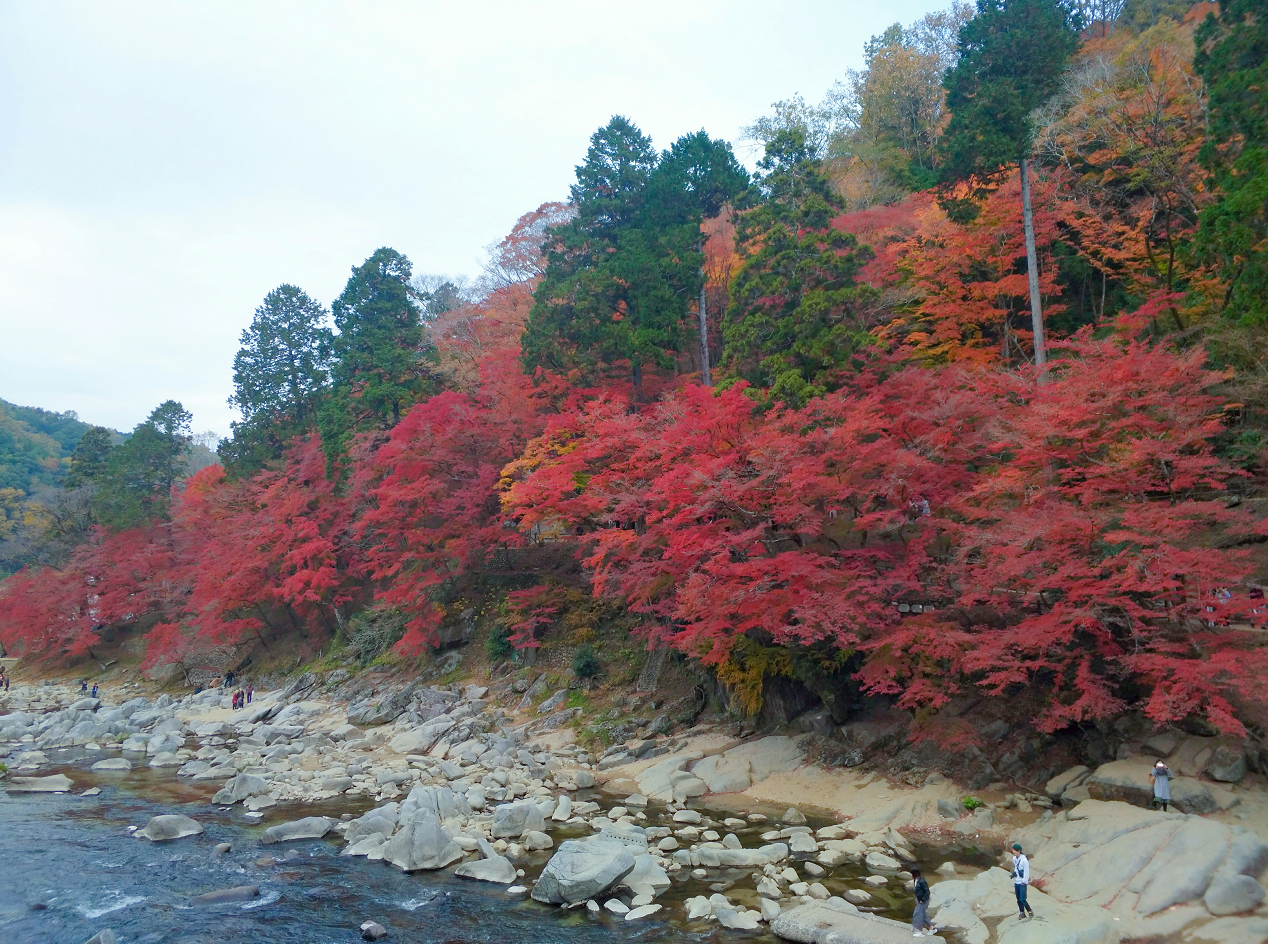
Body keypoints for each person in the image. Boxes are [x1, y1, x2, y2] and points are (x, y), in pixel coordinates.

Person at [1012, 843, 1035, 920]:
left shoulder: (1024, 860)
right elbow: (1016, 868)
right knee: (1018, 899)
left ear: (1019, 851)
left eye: (1015, 850)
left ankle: (1029, 910)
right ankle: (1022, 912)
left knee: (1022, 899)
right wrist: (1014, 874)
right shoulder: (1014, 859)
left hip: (1022, 882)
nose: (1013, 852)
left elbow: (1026, 872)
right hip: (1016, 881)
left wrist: (1024, 881)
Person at [911, 868, 936, 937]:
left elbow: (927, 891)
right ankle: (932, 928)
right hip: (919, 900)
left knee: (917, 914)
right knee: (923, 914)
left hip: (923, 901)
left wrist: (923, 899)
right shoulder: (916, 880)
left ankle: (918, 930)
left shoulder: (922, 881)